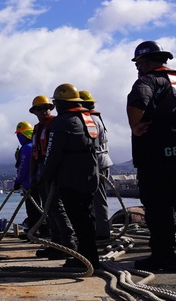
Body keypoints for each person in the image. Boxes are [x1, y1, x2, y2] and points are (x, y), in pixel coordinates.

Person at [126, 40, 176, 272]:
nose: (137, 68)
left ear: (145, 63)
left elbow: (138, 101)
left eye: (138, 63)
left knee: (158, 209)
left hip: (157, 157)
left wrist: (135, 125)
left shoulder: (148, 80)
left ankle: (164, 256)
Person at [44, 83, 100, 269]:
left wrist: (46, 174)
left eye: (57, 102)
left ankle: (85, 259)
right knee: (87, 218)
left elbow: (54, 151)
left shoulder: (62, 122)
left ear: (61, 103)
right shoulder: (88, 119)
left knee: (78, 219)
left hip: (70, 177)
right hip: (90, 174)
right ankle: (90, 255)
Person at [29, 94, 73, 257]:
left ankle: (68, 242)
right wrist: (32, 176)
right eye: (40, 109)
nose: (44, 111)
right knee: (48, 209)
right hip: (41, 170)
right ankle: (55, 243)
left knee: (56, 206)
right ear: (34, 112)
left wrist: (53, 170)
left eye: (47, 108)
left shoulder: (56, 124)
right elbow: (35, 155)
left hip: (53, 169)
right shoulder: (36, 129)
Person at [79, 90, 113, 240]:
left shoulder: (90, 120)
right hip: (101, 160)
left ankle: (102, 232)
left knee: (99, 199)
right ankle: (97, 228)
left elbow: (91, 143)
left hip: (97, 162)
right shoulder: (95, 118)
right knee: (96, 199)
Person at [13, 121, 40, 235]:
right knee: (38, 208)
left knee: (33, 209)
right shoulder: (34, 145)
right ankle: (38, 230)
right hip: (37, 182)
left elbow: (23, 166)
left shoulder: (27, 148)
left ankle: (36, 231)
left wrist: (18, 181)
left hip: (30, 184)